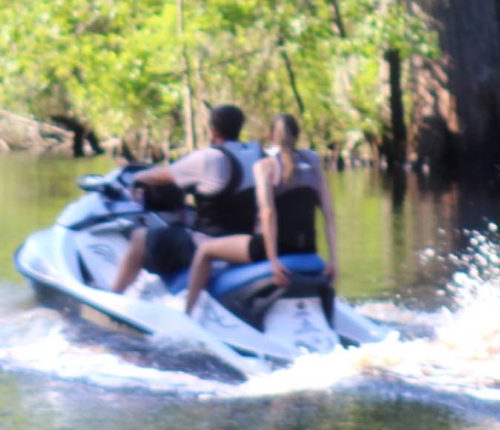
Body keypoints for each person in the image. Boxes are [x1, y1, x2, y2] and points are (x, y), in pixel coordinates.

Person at [183, 114, 338, 315]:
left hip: (266, 250)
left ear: (271, 136)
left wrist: (273, 261)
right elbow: (329, 213)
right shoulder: (313, 164)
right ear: (298, 136)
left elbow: (268, 213)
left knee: (205, 250)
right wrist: (333, 261)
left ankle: (188, 314)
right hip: (308, 248)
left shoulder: (265, 167)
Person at [108, 104, 262, 294]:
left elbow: (162, 175)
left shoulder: (209, 158)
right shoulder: (255, 155)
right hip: (242, 244)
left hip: (210, 244)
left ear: (213, 131)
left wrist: (137, 178)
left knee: (140, 237)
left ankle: (113, 296)